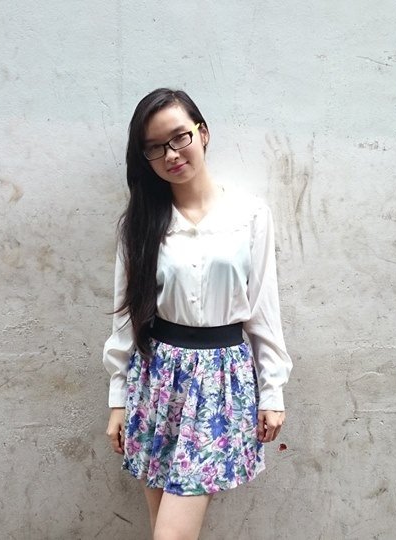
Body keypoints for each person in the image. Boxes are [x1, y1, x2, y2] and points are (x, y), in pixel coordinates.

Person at [102, 88, 293, 540]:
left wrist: (273, 392)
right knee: (164, 531)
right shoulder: (142, 223)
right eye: (155, 147)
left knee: (170, 535)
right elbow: (127, 318)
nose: (170, 154)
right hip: (156, 378)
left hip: (220, 382)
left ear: (202, 133)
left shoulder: (249, 214)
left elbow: (264, 309)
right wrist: (117, 399)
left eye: (179, 137)